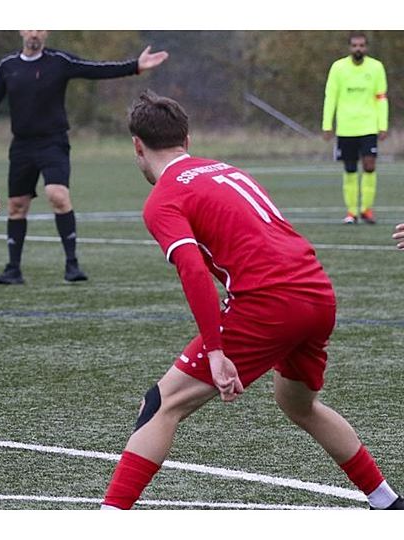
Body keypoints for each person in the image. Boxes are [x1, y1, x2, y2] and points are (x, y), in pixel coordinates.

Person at [100, 90, 403, 510]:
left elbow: (192, 272)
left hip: (269, 302)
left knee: (162, 402)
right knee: (297, 403)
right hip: (317, 292)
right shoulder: (227, 170)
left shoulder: (163, 199)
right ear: (186, 140)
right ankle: (387, 502)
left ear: (137, 145)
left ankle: (108, 515)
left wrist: (216, 349)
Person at [0, 30, 168, 285]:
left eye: (40, 28)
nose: (34, 32)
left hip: (53, 142)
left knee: (58, 195)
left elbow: (94, 69)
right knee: (17, 206)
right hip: (22, 146)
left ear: (46, 33)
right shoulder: (7, 67)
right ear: (22, 31)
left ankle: (72, 265)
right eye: (30, 27)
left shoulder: (59, 61)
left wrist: (135, 66)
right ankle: (13, 269)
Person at [322, 31, 389, 225]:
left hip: (368, 126)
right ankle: (351, 212)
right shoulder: (338, 67)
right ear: (349, 48)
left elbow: (381, 97)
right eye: (354, 46)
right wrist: (327, 124)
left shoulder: (376, 67)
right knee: (350, 169)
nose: (358, 49)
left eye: (361, 45)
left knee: (369, 166)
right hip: (346, 128)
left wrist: (382, 124)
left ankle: (366, 209)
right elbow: (331, 96)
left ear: (366, 47)